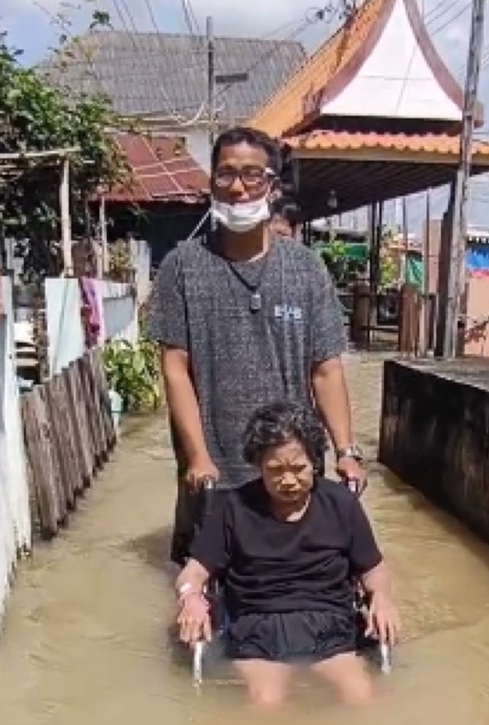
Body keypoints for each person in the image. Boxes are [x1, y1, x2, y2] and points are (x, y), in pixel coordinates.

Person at [147, 125, 367, 565]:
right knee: (204, 586)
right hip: (216, 471)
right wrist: (197, 457)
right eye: (225, 175)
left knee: (301, 578)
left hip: (293, 467)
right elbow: (175, 369)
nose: (239, 187)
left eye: (252, 175)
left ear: (272, 185)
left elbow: (326, 370)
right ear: (212, 182)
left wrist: (345, 452)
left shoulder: (307, 269)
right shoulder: (181, 267)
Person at [174, 401, 400, 708]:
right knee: (267, 702)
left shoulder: (340, 504)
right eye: (275, 470)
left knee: (360, 695)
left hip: (330, 624)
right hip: (258, 626)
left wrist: (382, 599)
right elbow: (193, 572)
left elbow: (374, 570)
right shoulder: (234, 508)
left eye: (298, 468)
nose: (288, 480)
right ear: (258, 466)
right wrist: (191, 598)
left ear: (315, 463)